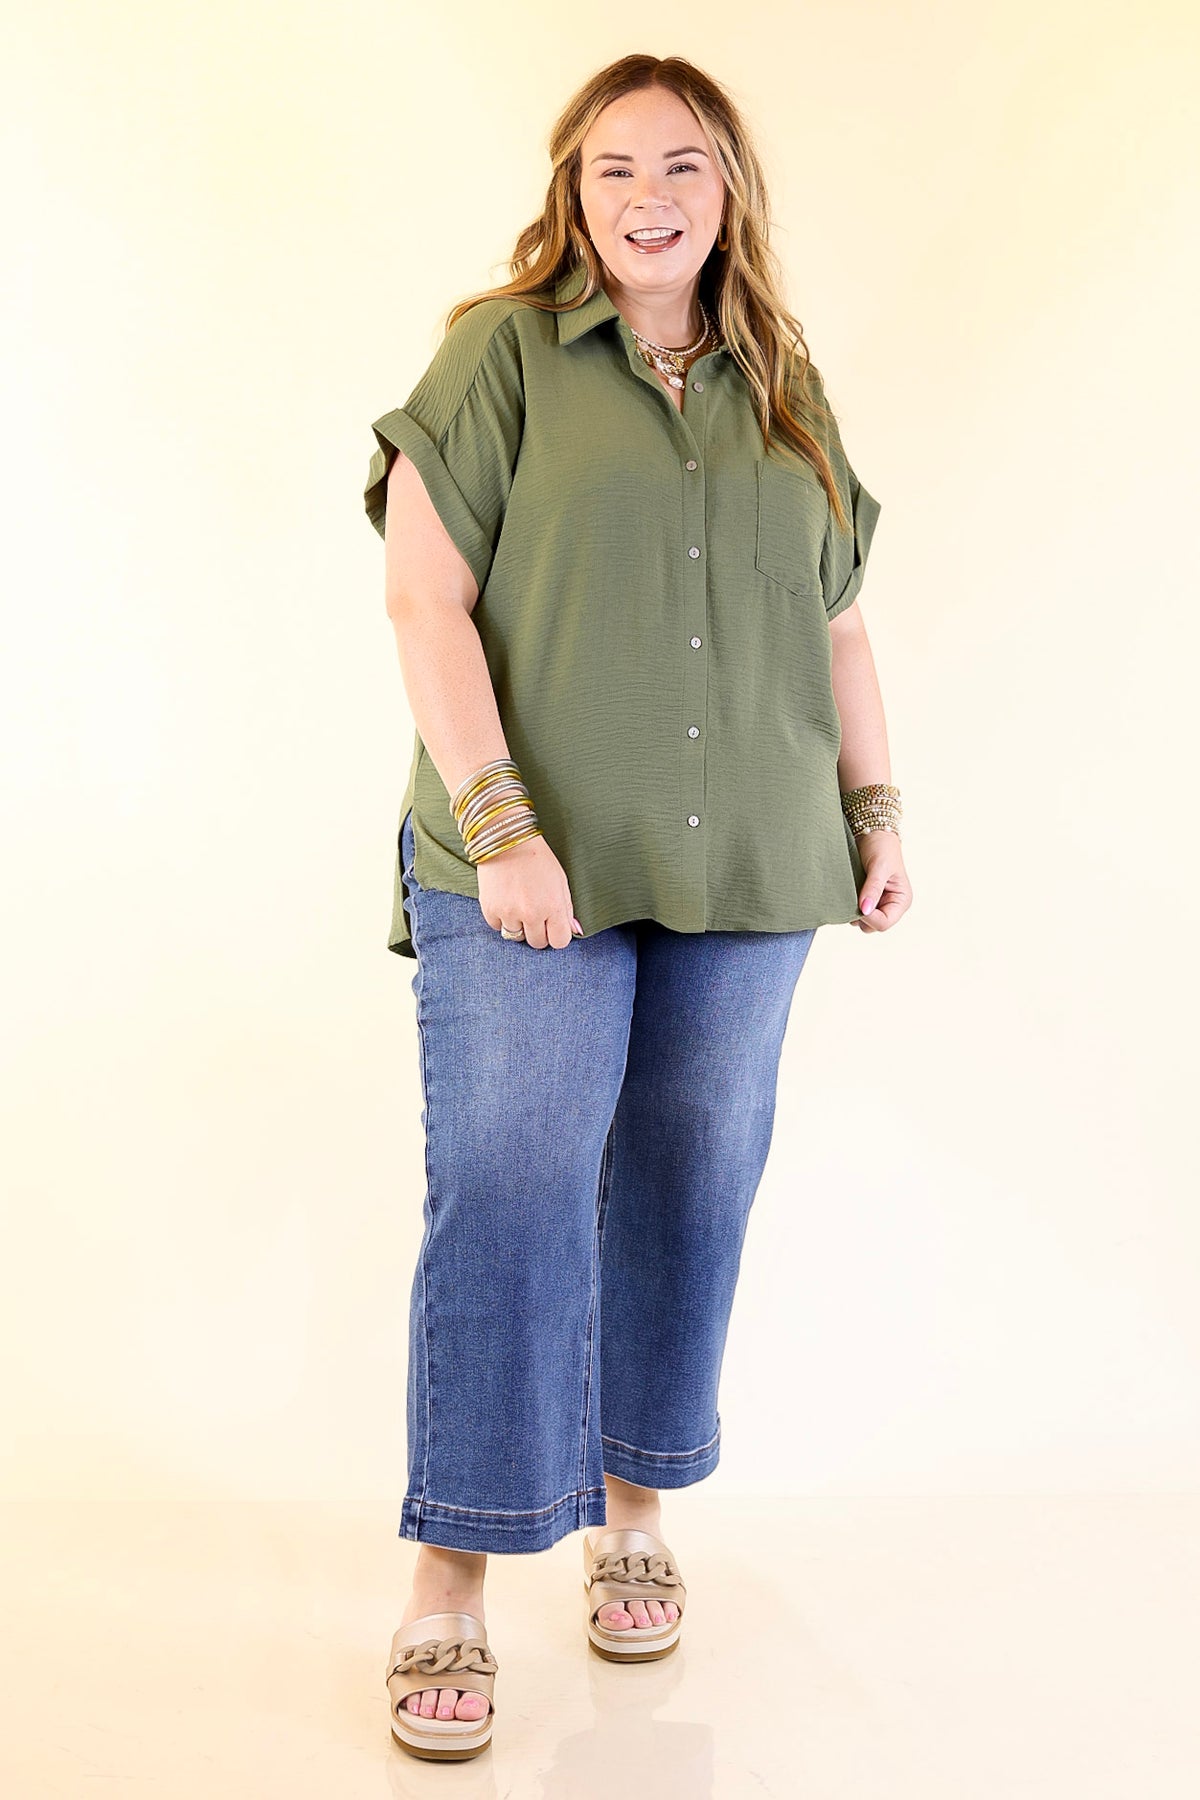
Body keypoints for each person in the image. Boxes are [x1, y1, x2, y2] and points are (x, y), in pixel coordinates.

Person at [362, 52, 912, 1761]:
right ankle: (452, 1574)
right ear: (573, 193)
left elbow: (836, 623)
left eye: (682, 165)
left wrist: (874, 811)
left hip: (746, 865)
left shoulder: (786, 387)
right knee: (515, 1178)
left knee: (689, 1179)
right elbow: (423, 598)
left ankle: (634, 1514)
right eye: (614, 168)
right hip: (528, 865)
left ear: (728, 188)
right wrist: (503, 828)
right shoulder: (503, 355)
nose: (648, 196)